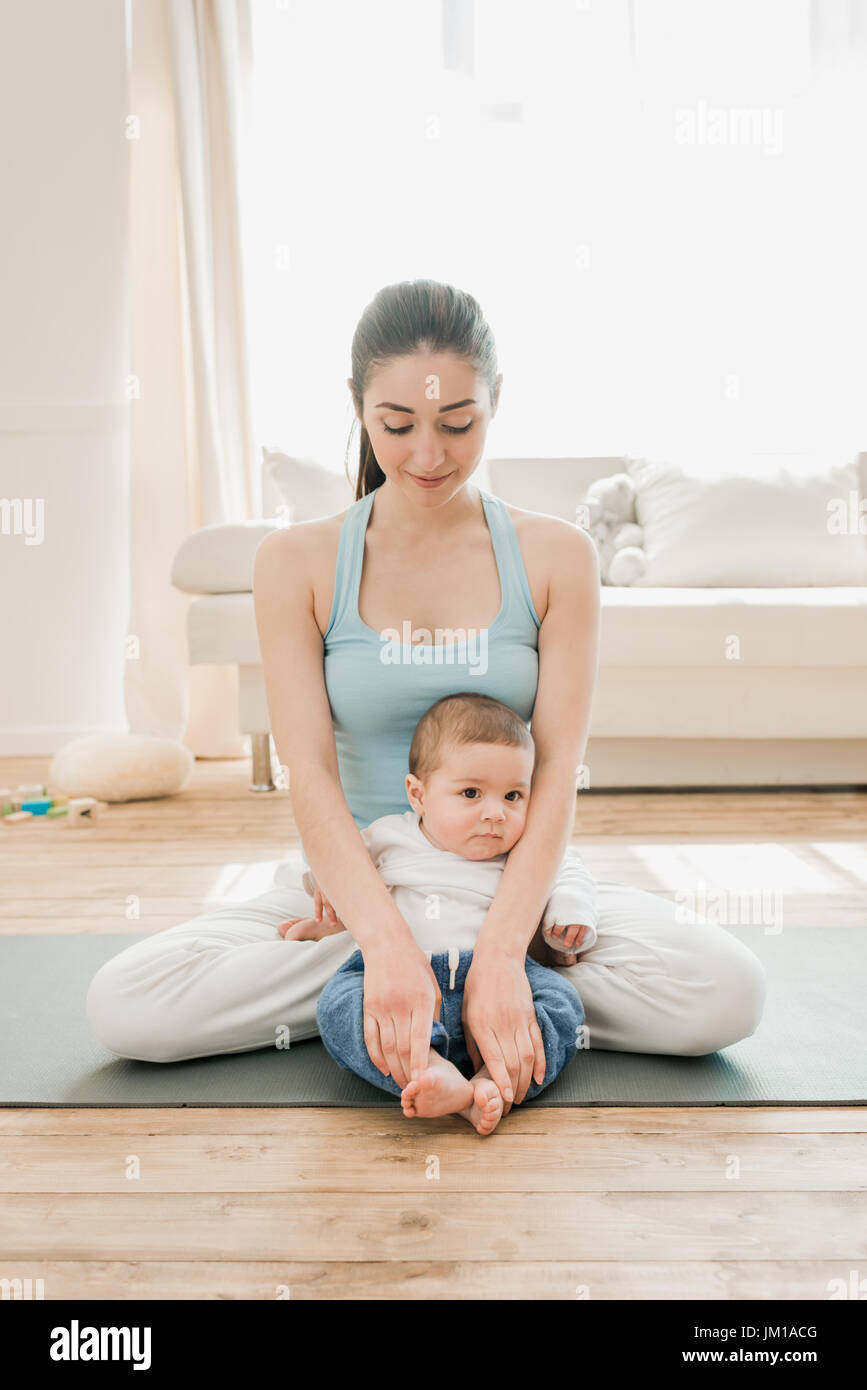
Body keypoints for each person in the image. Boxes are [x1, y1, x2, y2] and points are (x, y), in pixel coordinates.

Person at [85, 278, 766, 1110]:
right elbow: (309, 776)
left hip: (512, 884)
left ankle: (444, 1000)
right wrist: (386, 938)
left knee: (729, 991)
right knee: (125, 1006)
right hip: (361, 887)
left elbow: (554, 776)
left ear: (496, 400)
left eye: (457, 423)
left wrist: (505, 948)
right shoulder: (295, 562)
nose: (427, 456)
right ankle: (411, 988)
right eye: (396, 425)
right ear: (357, 406)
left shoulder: (557, 556)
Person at [312, 690, 595, 1133]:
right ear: (418, 795)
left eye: (513, 796)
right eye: (470, 793)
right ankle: (428, 1068)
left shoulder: (522, 848)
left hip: (506, 980)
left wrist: (568, 920)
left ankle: (491, 1081)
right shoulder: (389, 837)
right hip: (404, 979)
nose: (495, 814)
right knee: (338, 1005)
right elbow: (336, 869)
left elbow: (568, 869)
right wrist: (323, 909)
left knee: (563, 1005)